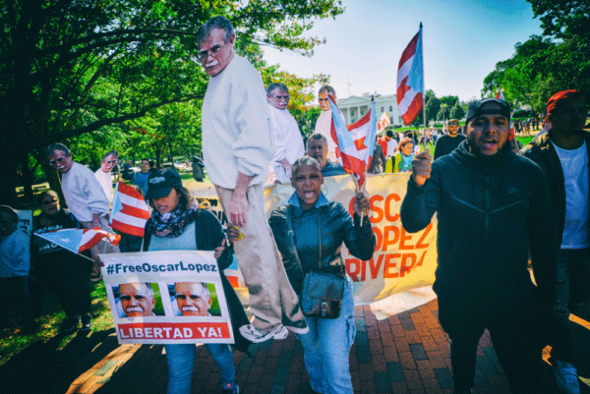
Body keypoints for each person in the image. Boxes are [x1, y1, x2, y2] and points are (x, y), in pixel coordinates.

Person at [400, 98, 557, 394]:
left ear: (509, 128)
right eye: (481, 123)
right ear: (468, 127)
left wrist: (547, 299)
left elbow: (544, 239)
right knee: (462, 355)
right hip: (459, 291)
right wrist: (417, 185)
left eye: (499, 122)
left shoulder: (528, 172)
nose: (490, 130)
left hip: (512, 294)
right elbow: (413, 222)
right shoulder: (444, 169)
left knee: (523, 375)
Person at [199, 16, 307, 342]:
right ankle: (291, 314)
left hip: (239, 182)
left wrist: (238, 192)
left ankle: (266, 321)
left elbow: (257, 138)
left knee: (251, 250)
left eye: (215, 48)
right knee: (264, 247)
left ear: (231, 39)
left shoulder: (241, 74)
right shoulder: (224, 76)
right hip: (234, 181)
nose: (208, 58)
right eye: (202, 53)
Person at [269, 157, 376, 394]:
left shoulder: (336, 212)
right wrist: (237, 236)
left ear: (321, 179)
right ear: (292, 181)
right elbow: (259, 252)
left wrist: (362, 219)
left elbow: (364, 251)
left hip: (334, 295)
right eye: (301, 178)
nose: (308, 184)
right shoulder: (278, 218)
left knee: (336, 366)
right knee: (315, 356)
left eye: (313, 176)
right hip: (299, 299)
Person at [142, 167, 250, 394]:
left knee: (219, 353)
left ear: (179, 192)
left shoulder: (203, 219)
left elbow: (224, 259)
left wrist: (221, 255)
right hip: (171, 315)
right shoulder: (150, 227)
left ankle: (229, 383)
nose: (159, 200)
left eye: (164, 193)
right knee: (178, 372)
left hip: (206, 308)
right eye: (154, 194)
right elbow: (144, 267)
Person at [522, 90, 588, 394]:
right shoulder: (534, 155)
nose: (579, 116)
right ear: (552, 116)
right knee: (559, 307)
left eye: (582, 109)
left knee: (577, 302)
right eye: (570, 111)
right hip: (553, 247)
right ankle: (564, 362)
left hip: (586, 244)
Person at [45, 143, 119, 281]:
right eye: (53, 162)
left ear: (69, 156)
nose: (58, 164)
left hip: (94, 221)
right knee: (101, 261)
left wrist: (95, 224)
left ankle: (123, 286)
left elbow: (97, 199)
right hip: (84, 222)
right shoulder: (66, 173)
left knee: (113, 260)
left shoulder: (80, 173)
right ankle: (105, 276)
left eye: (60, 159)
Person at [31, 190, 93, 332]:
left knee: (79, 290)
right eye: (46, 202)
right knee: (61, 293)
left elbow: (83, 235)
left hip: (74, 264)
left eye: (54, 200)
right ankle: (72, 317)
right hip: (49, 268)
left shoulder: (69, 216)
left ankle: (85, 316)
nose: (51, 204)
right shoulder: (34, 223)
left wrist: (90, 262)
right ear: (40, 205)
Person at [0, 205, 35, 331]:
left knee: (22, 304)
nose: (1, 226)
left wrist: (17, 280)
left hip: (17, 278)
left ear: (15, 221)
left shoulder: (19, 238)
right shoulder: (5, 237)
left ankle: (28, 326)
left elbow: (24, 262)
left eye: (4, 222)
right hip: (8, 277)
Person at [266, 83, 305, 184]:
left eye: (286, 97)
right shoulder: (269, 113)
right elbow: (273, 144)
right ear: (268, 97)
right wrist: (287, 166)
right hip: (283, 169)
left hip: (294, 167)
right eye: (278, 97)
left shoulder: (283, 111)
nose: (283, 100)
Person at [315, 85, 338, 162]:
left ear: (334, 98)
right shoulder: (323, 113)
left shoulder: (335, 115)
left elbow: (334, 140)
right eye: (320, 99)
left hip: (330, 160)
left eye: (326, 99)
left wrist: (326, 159)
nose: (323, 102)